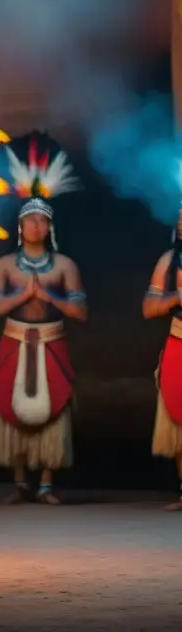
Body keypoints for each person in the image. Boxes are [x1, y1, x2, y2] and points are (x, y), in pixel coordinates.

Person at [0, 132, 86, 505]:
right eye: (30, 220)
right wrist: (23, 295)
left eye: (42, 221)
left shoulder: (65, 265)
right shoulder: (5, 266)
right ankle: (20, 481)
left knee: (53, 408)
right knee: (9, 404)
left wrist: (49, 295)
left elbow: (80, 311)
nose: (36, 226)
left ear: (49, 227)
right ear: (20, 227)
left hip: (51, 340)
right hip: (14, 341)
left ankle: (47, 482)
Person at [142, 206, 182, 511]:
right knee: (179, 422)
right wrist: (178, 297)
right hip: (178, 343)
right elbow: (149, 308)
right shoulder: (169, 263)